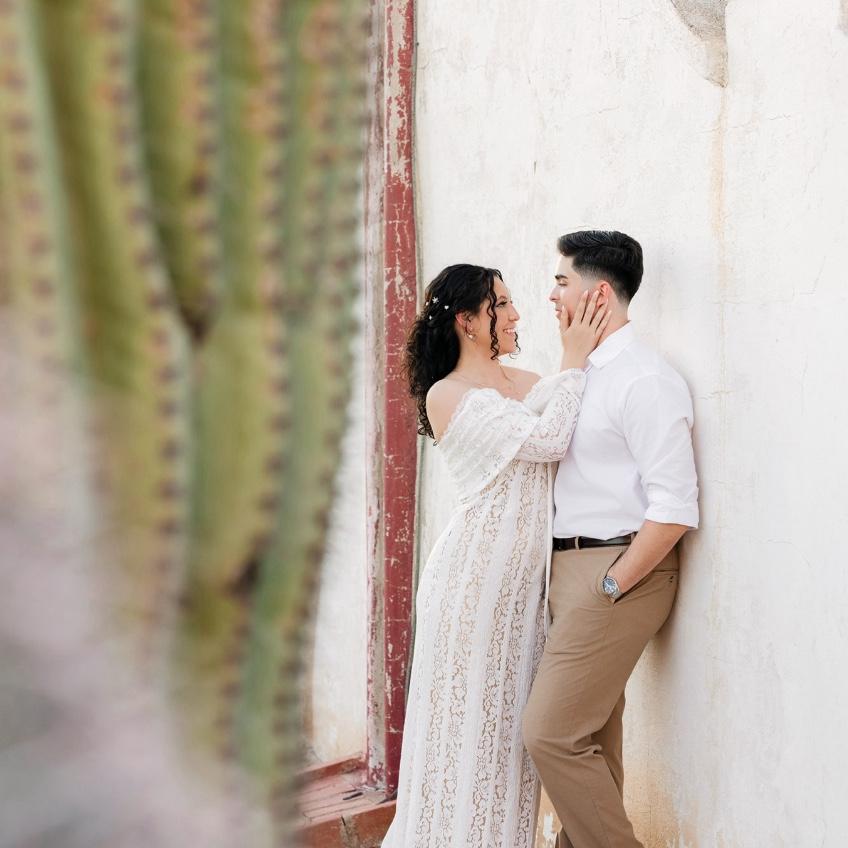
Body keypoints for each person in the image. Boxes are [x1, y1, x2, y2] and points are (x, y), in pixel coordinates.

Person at [380, 263, 610, 847]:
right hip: (471, 586)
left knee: (508, 745)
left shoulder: (527, 382)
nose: (515, 315)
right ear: (467, 320)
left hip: (523, 593)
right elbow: (551, 438)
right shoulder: (448, 394)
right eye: (501, 305)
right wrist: (574, 359)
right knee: (462, 739)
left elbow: (571, 414)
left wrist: (576, 363)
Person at [522, 230, 700, 848]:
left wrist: (612, 583)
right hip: (569, 570)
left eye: (562, 282)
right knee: (592, 739)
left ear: (598, 295)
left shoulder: (644, 379)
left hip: (622, 569)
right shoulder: (580, 374)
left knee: (548, 732)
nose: (552, 296)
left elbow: (674, 506)